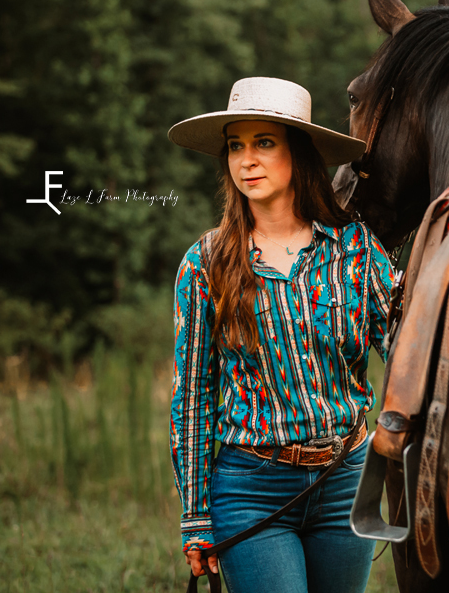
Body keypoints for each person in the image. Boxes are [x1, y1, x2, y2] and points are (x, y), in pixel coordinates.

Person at [167, 76, 392, 593]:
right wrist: (196, 516)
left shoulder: (354, 251)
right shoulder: (205, 264)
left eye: (264, 143)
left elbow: (407, 348)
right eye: (235, 146)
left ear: (299, 153)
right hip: (251, 488)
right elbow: (192, 398)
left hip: (346, 478)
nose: (247, 160)